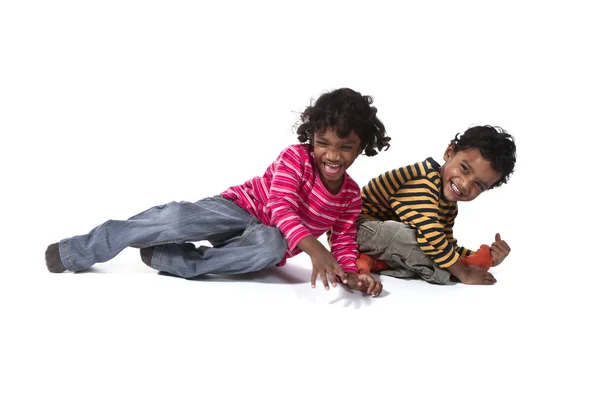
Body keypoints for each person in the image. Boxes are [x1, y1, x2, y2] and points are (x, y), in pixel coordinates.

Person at [45, 88, 391, 296]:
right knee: (177, 219)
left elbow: (344, 242)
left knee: (272, 246)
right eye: (323, 143)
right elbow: (280, 204)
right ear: (311, 138)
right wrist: (313, 246)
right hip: (240, 208)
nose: (332, 155)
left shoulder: (349, 196)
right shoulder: (295, 158)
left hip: (268, 238)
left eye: (345, 147)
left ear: (362, 148)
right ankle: (80, 249)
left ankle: (172, 260)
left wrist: (353, 276)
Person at [355, 125, 515, 285]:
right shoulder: (425, 180)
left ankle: (370, 262)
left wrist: (488, 258)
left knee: (429, 247)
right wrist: (464, 273)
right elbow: (432, 236)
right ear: (449, 152)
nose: (465, 185)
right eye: (465, 169)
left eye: (479, 185)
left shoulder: (449, 204)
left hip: (381, 240)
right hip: (356, 231)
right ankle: (452, 271)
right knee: (415, 239)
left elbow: (446, 243)